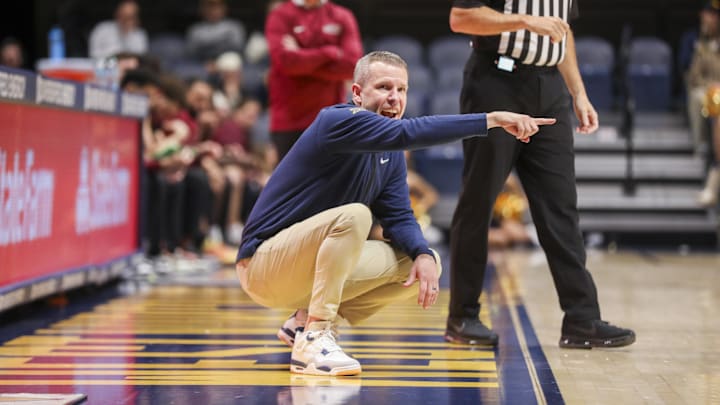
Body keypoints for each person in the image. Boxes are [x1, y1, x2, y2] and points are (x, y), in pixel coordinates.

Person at [235, 50, 554, 376]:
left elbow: (400, 217)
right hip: (263, 265)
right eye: (384, 87)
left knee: (421, 263)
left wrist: (423, 253)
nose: (394, 98)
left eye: (401, 90)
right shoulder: (337, 121)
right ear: (357, 94)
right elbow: (408, 133)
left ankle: (303, 323)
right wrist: (491, 119)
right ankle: (313, 339)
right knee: (355, 216)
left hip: (300, 266)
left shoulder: (390, 156)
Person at [446, 0, 636, 349]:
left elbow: (562, 34)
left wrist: (578, 93)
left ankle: (582, 318)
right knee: (478, 201)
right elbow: (461, 19)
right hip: (496, 81)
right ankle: (463, 315)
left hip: (549, 88)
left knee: (561, 207)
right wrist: (525, 21)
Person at [265, 0, 363, 163]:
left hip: (331, 121)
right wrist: (329, 53)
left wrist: (302, 56)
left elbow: (351, 66)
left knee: (332, 185)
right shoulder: (280, 15)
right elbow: (286, 63)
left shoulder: (342, 16)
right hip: (289, 121)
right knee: (291, 186)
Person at [687, 1, 720, 206]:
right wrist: (713, 86)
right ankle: (703, 146)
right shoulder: (703, 46)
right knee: (711, 98)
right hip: (713, 96)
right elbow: (694, 78)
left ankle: (712, 184)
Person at [186, 0, 246, 64]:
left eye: (217, 7)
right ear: (202, 9)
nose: (213, 11)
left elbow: (238, 49)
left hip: (229, 63)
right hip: (203, 65)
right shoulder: (195, 30)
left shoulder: (234, 27)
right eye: (209, 7)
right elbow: (191, 53)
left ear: (224, 8)